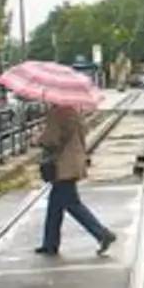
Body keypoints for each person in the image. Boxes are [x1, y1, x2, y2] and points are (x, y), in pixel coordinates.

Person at [35, 103, 117, 257]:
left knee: (72, 204)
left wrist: (39, 138)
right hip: (72, 162)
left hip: (63, 165)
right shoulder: (72, 111)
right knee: (55, 205)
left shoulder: (58, 112)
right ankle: (50, 243)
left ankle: (102, 234)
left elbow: (52, 140)